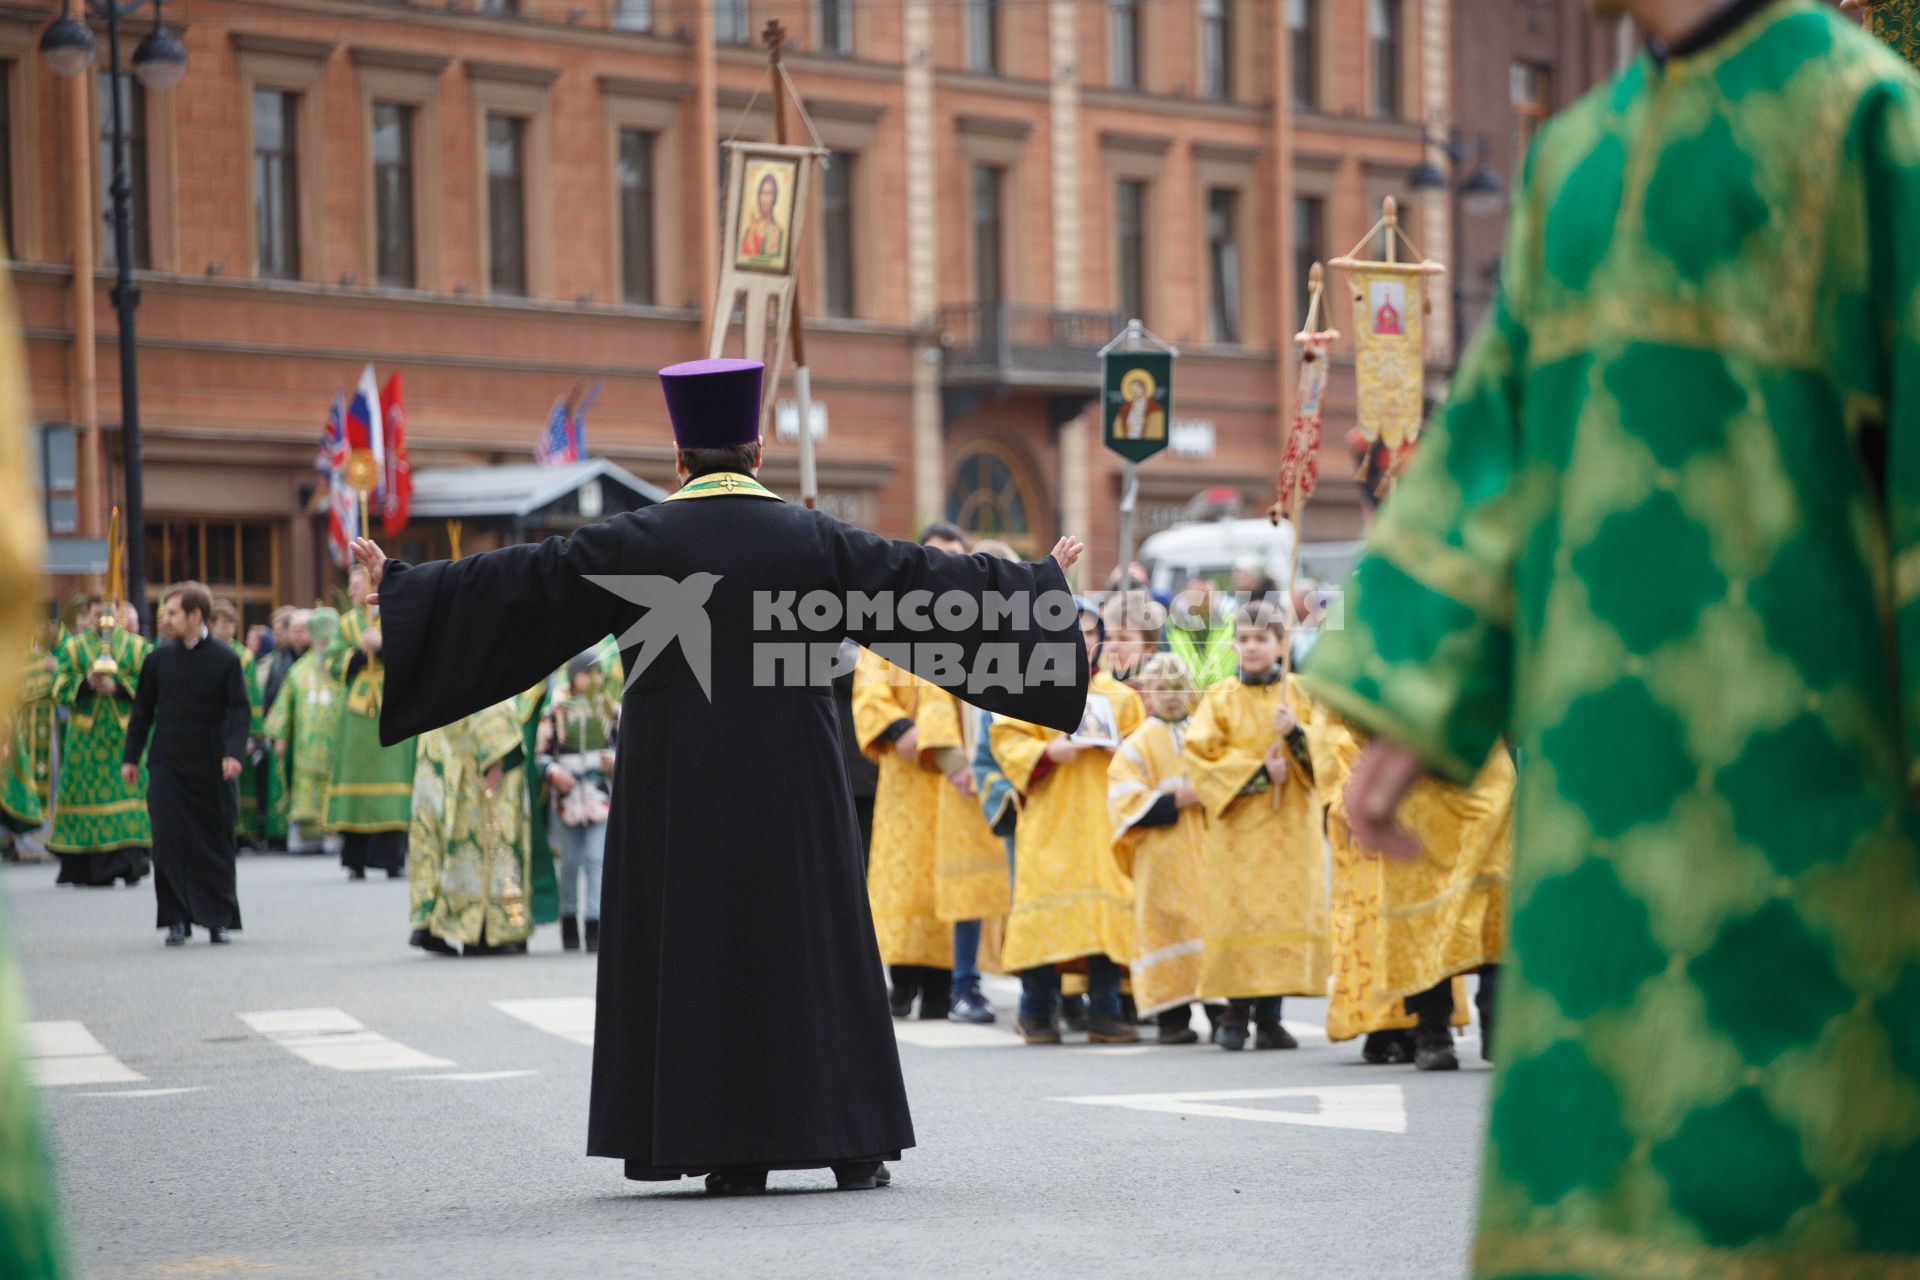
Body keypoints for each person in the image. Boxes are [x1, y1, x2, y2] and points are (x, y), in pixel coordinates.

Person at [1303, 2, 1920, 1272]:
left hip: (1810, 811)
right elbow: (1494, 448)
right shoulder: (1571, 161)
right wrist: (1411, 692)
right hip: (1594, 816)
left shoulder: (1868, 124)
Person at [359, 356, 1087, 1194]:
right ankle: (852, 1143)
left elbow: (523, 587)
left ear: (679, 458)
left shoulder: (635, 539)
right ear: (759, 450)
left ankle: (722, 1148)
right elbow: (922, 583)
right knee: (811, 945)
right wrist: (1038, 593)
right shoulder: (813, 537)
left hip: (679, 783)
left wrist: (404, 591)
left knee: (699, 947)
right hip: (795, 781)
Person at [1309, 707, 1510, 1069]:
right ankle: (1437, 1032)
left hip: (1472, 784)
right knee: (1434, 914)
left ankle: (1480, 1024)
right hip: (1425, 793)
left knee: (1485, 906)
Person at [990, 600, 1141, 1045]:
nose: (1080, 640)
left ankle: (1106, 1010)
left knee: (1104, 917)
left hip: (1103, 822)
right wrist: (1050, 751)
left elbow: (1143, 751)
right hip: (1051, 821)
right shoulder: (1029, 687)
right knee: (1045, 917)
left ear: (1101, 642)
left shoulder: (1122, 698)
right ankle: (1036, 1011)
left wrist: (1122, 751)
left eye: (1089, 633)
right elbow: (1007, 742)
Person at [1183, 599, 1328, 1050]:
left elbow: (1329, 752)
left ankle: (1270, 1018)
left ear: (1281, 645)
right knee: (1240, 918)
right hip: (1238, 830)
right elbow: (1200, 757)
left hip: (1289, 829)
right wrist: (1260, 772)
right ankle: (1233, 1015)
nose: (1251, 647)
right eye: (1243, 639)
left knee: (1281, 916)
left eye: (1261, 639)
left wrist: (1296, 736)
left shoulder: (1301, 694)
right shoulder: (1219, 697)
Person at [854, 521, 972, 1021]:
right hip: (908, 779)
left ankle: (950, 986)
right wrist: (900, 728)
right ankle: (902, 981)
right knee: (905, 884)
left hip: (959, 779)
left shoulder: (980, 620)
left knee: (953, 880)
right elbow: (870, 689)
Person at [122, 582, 251, 946]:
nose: (166, 618)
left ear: (196, 615)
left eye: (173, 612)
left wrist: (233, 753)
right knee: (168, 843)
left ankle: (217, 918)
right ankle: (177, 919)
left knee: (214, 842)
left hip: (213, 763)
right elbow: (142, 711)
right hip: (167, 765)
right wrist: (131, 757)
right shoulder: (158, 659)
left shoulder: (226, 659)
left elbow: (240, 711)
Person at [1108, 652, 1211, 1044]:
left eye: (1177, 688)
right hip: (1162, 855)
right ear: (1147, 693)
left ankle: (1222, 1013)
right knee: (1166, 926)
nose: (1170, 697)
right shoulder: (1138, 743)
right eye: (1161, 689)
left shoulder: (1204, 735)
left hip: (1206, 851)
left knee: (1210, 924)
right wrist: (1176, 799)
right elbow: (1123, 796)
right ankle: (1172, 1019)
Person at [408, 696, 538, 957]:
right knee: (481, 838)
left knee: (434, 834)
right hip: (473, 749)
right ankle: (481, 930)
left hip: (437, 743)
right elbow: (487, 688)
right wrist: (496, 756)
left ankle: (430, 922)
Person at [47, 605, 151, 887]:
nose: (100, 618)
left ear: (117, 614)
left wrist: (116, 688)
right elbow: (59, 685)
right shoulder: (73, 648)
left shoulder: (136, 646)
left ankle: (130, 862)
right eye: (94, 613)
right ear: (88, 616)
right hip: (86, 739)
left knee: (128, 790)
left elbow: (150, 685)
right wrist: (86, 683)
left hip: (123, 735)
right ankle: (85, 868)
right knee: (82, 793)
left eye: (105, 612)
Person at [324, 564, 414, 880]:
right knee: (355, 784)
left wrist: (384, 646)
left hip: (393, 707)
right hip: (357, 716)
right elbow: (332, 662)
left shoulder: (400, 615)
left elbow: (415, 653)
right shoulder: (348, 624)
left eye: (356, 583)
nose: (351, 591)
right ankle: (356, 859)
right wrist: (361, 653)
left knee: (395, 781)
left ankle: (392, 859)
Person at [539, 651, 618, 953]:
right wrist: (554, 772)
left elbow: (626, 745)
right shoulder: (557, 709)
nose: (590, 679)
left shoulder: (610, 710)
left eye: (595, 673)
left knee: (597, 861)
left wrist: (615, 762)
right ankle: (569, 920)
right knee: (570, 863)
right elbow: (542, 754)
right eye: (585, 673)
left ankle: (596, 923)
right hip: (567, 798)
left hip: (600, 796)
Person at [265, 609, 340, 855]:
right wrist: (280, 735)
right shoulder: (298, 670)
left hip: (337, 745)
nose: (323, 645)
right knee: (305, 792)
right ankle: (307, 839)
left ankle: (336, 835)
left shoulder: (342, 666)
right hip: (305, 748)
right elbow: (284, 703)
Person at [211, 600, 266, 850]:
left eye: (232, 624)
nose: (229, 629)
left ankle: (241, 829)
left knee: (239, 781)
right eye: (224, 624)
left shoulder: (244, 656)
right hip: (213, 725)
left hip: (236, 725)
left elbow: (251, 697)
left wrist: (252, 734)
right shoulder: (208, 652)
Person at [1, 623, 59, 858]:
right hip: (19, 725)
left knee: (50, 776)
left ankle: (38, 838)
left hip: (45, 724)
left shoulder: (54, 654)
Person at [1165, 575, 1236, 691]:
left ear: (1217, 596)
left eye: (1207, 594)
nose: (1202, 599)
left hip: (1224, 700)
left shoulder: (1233, 625)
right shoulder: (1170, 628)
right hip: (1185, 701)